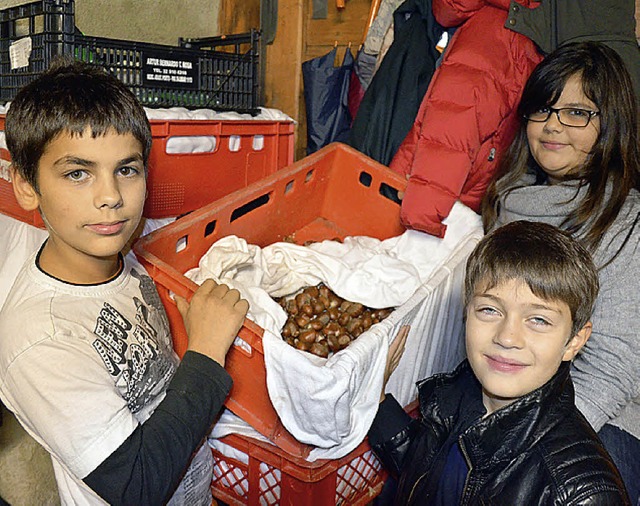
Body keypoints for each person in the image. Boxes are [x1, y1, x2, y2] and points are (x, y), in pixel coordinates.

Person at [0, 59, 249, 505]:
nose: (111, 196)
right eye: (78, 173)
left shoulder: (119, 253)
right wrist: (207, 353)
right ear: (26, 186)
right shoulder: (40, 341)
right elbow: (135, 488)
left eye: (127, 169)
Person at [369, 220, 630, 504]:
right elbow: (429, 478)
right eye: (490, 310)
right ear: (466, 312)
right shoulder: (463, 392)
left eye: (539, 320)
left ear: (574, 341)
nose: (507, 337)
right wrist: (379, 401)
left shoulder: (582, 495)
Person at [482, 41, 640, 503]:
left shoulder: (624, 221)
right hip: (511, 395)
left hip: (596, 420)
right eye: (543, 109)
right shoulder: (510, 200)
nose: (552, 126)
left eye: (577, 113)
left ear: (609, 125)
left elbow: (611, 369)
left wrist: (523, 450)